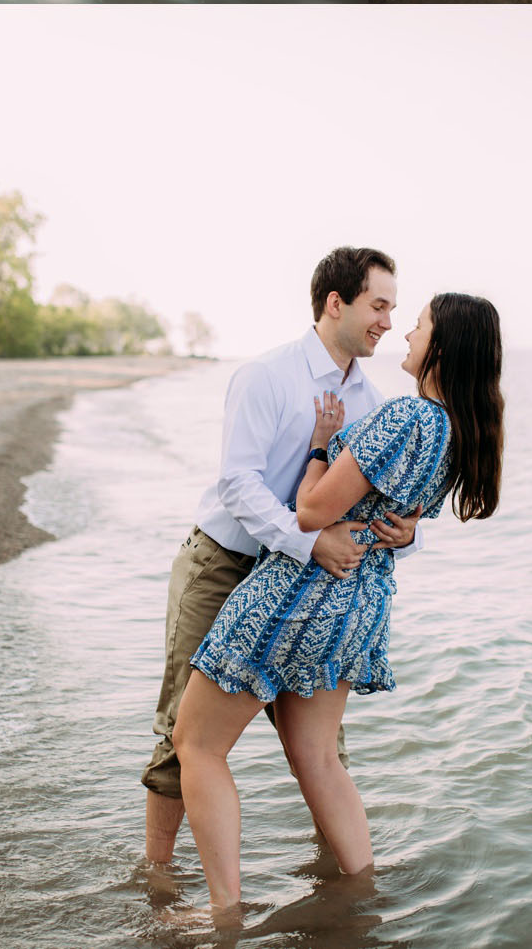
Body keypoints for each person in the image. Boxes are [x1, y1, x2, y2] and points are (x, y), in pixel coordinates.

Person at [170, 293, 504, 925]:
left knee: (197, 745)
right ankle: (361, 897)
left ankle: (224, 915)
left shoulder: (405, 417)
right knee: (319, 758)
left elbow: (312, 512)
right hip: (360, 606)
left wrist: (322, 446)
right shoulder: (455, 433)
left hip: (297, 596)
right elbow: (392, 520)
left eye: (420, 323)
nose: (406, 330)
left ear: (444, 345)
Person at [139, 247, 422, 876]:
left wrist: (406, 537)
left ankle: (341, 894)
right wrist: (309, 541)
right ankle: (157, 881)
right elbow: (238, 486)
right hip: (224, 566)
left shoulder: (375, 403)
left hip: (304, 588)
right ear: (335, 302)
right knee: (182, 734)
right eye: (378, 306)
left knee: (322, 749)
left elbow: (375, 504)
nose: (386, 321)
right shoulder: (266, 377)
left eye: (393, 310)